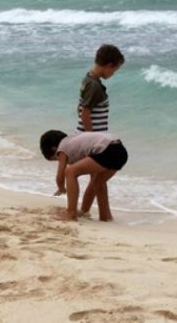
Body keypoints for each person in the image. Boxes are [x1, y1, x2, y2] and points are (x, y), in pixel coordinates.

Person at [77, 44, 125, 217]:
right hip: (93, 140)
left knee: (98, 178)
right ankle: (100, 214)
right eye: (115, 70)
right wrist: (91, 138)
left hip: (92, 137)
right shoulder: (94, 86)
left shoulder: (88, 80)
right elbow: (85, 113)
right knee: (99, 179)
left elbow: (81, 108)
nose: (113, 74)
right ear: (109, 65)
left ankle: (88, 211)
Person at [40, 130, 128, 222]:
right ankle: (105, 217)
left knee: (70, 171)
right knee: (97, 182)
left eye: (56, 159)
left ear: (54, 149)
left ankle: (71, 214)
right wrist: (84, 210)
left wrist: (61, 188)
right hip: (120, 151)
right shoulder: (76, 142)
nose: (61, 160)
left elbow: (60, 176)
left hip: (109, 150)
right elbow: (93, 175)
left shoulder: (62, 147)